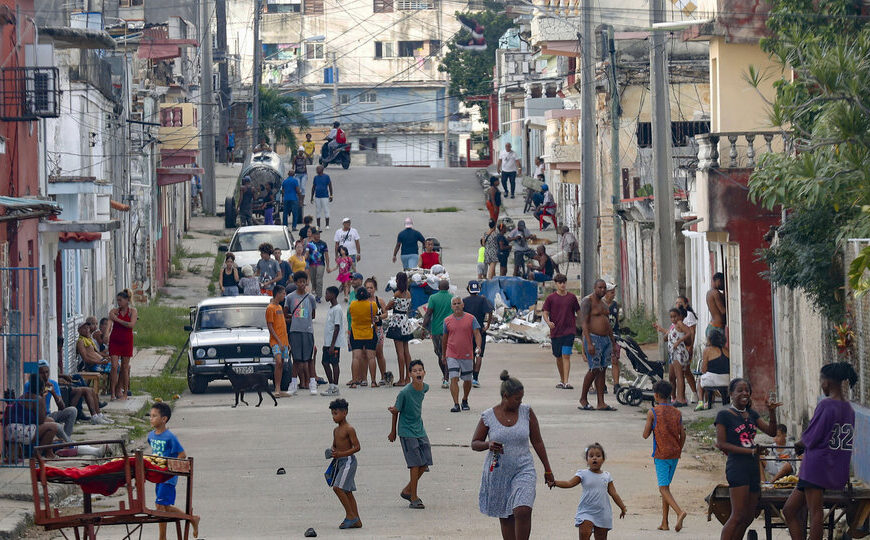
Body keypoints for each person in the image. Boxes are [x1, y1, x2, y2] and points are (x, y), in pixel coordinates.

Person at [473, 371, 555, 540]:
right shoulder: (488, 416)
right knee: (507, 516)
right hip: (499, 473)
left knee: (522, 510)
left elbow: (537, 441)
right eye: (517, 399)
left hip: (524, 469)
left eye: (522, 398)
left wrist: (548, 469)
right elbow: (475, 443)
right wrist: (488, 444)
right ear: (505, 396)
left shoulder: (527, 412)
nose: (520, 402)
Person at [783, 362, 858, 540]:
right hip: (831, 465)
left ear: (826, 383)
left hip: (816, 466)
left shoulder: (826, 405)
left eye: (821, 381)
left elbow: (811, 437)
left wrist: (800, 443)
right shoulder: (849, 409)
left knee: (815, 514)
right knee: (789, 509)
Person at [714, 377, 780, 540]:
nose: (744, 393)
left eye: (747, 390)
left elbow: (771, 432)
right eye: (740, 390)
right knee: (737, 515)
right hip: (737, 467)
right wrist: (749, 451)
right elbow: (722, 444)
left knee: (749, 516)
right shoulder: (724, 415)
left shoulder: (751, 414)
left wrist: (771, 412)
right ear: (731, 394)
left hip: (752, 467)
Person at [551, 443, 627, 540]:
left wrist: (622, 507)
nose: (594, 458)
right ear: (587, 460)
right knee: (584, 533)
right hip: (586, 511)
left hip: (603, 513)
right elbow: (569, 483)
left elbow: (614, 493)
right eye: (591, 456)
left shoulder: (607, 476)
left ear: (603, 459)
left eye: (598, 456)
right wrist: (555, 483)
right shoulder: (583, 474)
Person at [147, 402, 200, 540]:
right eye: (150, 415)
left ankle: (162, 538)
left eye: (154, 416)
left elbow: (182, 454)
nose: (151, 418)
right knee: (162, 506)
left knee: (161, 506)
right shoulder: (151, 436)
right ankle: (192, 518)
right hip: (157, 475)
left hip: (168, 477)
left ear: (164, 419)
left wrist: (170, 469)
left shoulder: (170, 437)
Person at [642, 380, 687, 532]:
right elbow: (683, 434)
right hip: (674, 454)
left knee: (662, 489)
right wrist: (678, 449)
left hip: (661, 454)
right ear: (670, 395)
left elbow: (645, 435)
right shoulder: (677, 412)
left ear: (655, 395)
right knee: (666, 487)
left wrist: (650, 424)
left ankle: (679, 512)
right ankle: (664, 522)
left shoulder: (653, 412)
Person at [388, 360, 431, 510]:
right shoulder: (404, 392)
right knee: (414, 464)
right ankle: (413, 497)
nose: (418, 372)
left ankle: (407, 490)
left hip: (420, 429)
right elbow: (396, 411)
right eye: (415, 371)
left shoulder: (425, 388)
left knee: (425, 462)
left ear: (424, 373)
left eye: (420, 370)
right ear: (410, 374)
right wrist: (393, 431)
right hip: (406, 431)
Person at [23, 360, 92, 438]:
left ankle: (66, 438)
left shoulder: (53, 384)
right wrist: (41, 394)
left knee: (72, 410)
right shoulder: (29, 385)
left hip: (49, 415)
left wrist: (54, 393)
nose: (45, 375)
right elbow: (28, 405)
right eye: (42, 373)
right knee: (57, 426)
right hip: (36, 417)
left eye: (47, 372)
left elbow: (62, 407)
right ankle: (66, 443)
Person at [579, 280, 618, 411]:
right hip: (594, 339)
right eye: (600, 287)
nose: (602, 290)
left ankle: (601, 402)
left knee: (602, 370)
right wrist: (588, 343)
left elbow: (608, 324)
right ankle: (583, 398)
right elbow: (584, 323)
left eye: (604, 288)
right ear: (594, 287)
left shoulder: (604, 304)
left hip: (606, 340)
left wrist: (613, 343)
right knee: (594, 369)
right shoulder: (587, 301)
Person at [327, 398, 362, 529]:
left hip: (348, 462)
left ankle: (350, 516)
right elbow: (335, 445)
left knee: (338, 488)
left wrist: (342, 454)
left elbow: (357, 447)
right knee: (347, 491)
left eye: (336, 413)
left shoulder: (349, 429)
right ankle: (357, 519)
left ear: (345, 413)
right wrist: (332, 450)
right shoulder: (336, 430)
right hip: (340, 462)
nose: (333, 417)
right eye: (332, 414)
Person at [442, 296, 482, 412]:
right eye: (454, 304)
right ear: (451, 307)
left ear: (463, 305)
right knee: (453, 378)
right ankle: (456, 404)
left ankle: (465, 399)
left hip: (467, 354)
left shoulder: (471, 319)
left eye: (459, 303)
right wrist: (444, 354)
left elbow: (477, 334)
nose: (457, 306)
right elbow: (444, 338)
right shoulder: (447, 321)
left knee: (467, 379)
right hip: (452, 354)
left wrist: (478, 346)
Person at [542, 274, 581, 390]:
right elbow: (545, 312)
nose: (562, 285)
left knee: (566, 355)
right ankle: (562, 379)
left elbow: (578, 311)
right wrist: (548, 322)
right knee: (558, 356)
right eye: (560, 282)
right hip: (556, 331)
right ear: (556, 284)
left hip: (569, 331)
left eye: (564, 282)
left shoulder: (572, 298)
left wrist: (583, 325)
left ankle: (567, 381)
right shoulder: (551, 298)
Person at [285, 271, 318, 396]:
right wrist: (294, 320)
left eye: (304, 282)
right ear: (295, 283)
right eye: (299, 282)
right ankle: (293, 384)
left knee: (309, 359)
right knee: (297, 359)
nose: (302, 284)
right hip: (295, 331)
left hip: (307, 331)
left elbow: (313, 314)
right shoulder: (290, 297)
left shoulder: (310, 298)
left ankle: (312, 384)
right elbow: (286, 313)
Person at [653, 307, 692, 406]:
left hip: (679, 352)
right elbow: (669, 336)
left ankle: (681, 399)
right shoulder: (673, 327)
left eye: (675, 316)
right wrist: (660, 329)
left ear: (679, 316)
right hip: (673, 353)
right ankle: (676, 397)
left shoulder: (680, 324)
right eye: (671, 317)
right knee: (675, 376)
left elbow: (689, 333)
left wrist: (679, 342)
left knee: (679, 376)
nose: (673, 319)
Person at [421, 280, 453, 389]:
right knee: (448, 355)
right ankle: (446, 378)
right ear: (448, 288)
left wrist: (423, 328)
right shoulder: (452, 298)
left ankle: (445, 377)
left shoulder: (433, 298)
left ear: (438, 287)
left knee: (440, 355)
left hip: (437, 331)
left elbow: (428, 314)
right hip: (450, 331)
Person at [385, 272, 414, 386]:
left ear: (397, 281)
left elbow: (388, 306)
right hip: (405, 321)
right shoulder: (408, 293)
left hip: (397, 322)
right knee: (407, 351)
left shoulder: (397, 293)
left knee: (400, 353)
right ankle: (408, 378)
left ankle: (401, 379)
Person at [463, 280, 493, 387]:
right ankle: (476, 378)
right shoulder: (483, 300)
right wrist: (487, 325)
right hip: (480, 331)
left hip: (468, 331)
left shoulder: (464, 301)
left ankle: (472, 376)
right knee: (479, 354)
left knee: (471, 354)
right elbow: (490, 311)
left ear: (468, 289)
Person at [109, 289, 137, 401]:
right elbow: (110, 322)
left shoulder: (133, 311)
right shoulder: (114, 311)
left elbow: (131, 325)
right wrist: (106, 334)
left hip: (127, 341)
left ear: (126, 300)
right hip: (115, 341)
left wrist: (118, 320)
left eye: (120, 300)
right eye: (117, 300)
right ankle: (112, 393)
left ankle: (125, 392)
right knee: (114, 366)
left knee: (125, 368)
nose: (119, 303)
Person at [348, 286, 378, 388]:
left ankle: (354, 382)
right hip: (369, 333)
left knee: (356, 358)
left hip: (356, 333)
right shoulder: (372, 305)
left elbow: (350, 314)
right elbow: (374, 316)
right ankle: (373, 381)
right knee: (371, 358)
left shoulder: (353, 304)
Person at [266, 285, 293, 398]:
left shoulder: (280, 308)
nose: (284, 296)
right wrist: (278, 341)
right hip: (276, 341)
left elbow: (282, 326)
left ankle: (280, 388)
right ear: (277, 294)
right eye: (283, 293)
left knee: (282, 363)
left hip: (284, 341)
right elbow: (270, 326)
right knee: (278, 362)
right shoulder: (270, 308)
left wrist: (286, 342)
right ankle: (276, 388)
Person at [321, 287, 346, 397]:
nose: (325, 296)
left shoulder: (337, 309)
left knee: (334, 363)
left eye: (327, 293)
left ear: (333, 295)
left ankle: (335, 387)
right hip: (328, 342)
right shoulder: (331, 308)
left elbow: (337, 327)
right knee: (325, 362)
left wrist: (332, 345)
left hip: (334, 343)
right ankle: (331, 385)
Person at [365, 277, 390, 387]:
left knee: (379, 353)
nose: (369, 290)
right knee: (366, 355)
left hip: (378, 329)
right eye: (367, 288)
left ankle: (383, 377)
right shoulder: (363, 301)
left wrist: (378, 317)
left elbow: (386, 313)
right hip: (366, 329)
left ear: (375, 289)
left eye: (371, 288)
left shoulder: (379, 301)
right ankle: (364, 378)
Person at [699, 330, 731, 410]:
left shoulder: (707, 350)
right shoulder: (726, 350)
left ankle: (700, 402)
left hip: (713, 380)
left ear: (710, 340)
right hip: (727, 380)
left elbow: (704, 370)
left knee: (699, 381)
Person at [604, 283, 622, 393]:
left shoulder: (615, 305)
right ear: (605, 293)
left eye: (614, 292)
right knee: (603, 362)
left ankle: (616, 385)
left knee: (615, 360)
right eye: (611, 292)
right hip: (603, 336)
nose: (613, 294)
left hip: (615, 336)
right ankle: (602, 384)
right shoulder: (600, 305)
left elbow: (617, 320)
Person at [306, 229, 330, 302]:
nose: (318, 236)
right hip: (312, 264)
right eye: (316, 234)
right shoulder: (309, 244)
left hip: (321, 264)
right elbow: (307, 254)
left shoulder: (323, 243)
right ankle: (315, 290)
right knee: (313, 279)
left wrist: (328, 266)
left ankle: (319, 296)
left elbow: (326, 255)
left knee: (319, 279)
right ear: (313, 235)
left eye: (319, 234)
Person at [706, 272, 727, 339]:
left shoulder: (709, 293)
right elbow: (723, 311)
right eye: (723, 282)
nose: (724, 285)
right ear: (718, 281)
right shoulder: (716, 293)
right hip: (717, 328)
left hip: (712, 325)